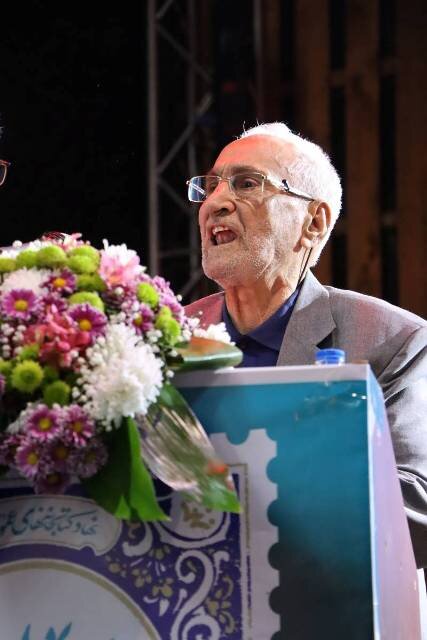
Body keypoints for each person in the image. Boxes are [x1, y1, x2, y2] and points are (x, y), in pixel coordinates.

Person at [184, 123, 427, 578]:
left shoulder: (391, 341)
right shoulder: (163, 338)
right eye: (211, 185)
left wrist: (263, 501)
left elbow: (416, 506)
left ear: (313, 222)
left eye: (246, 184)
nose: (215, 202)